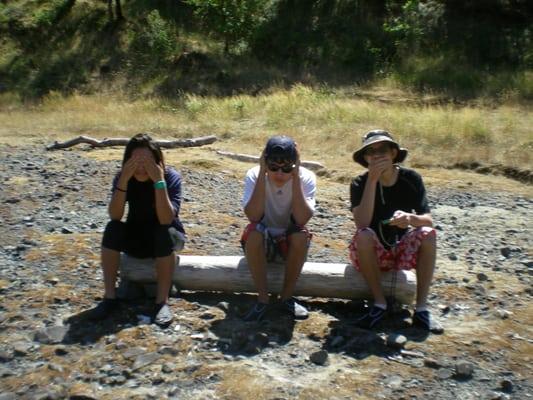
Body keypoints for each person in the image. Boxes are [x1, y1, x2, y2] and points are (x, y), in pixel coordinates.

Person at [349, 129, 442, 333]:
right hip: (373, 252)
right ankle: (379, 303)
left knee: (428, 234)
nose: (376, 155)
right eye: (370, 152)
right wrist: (372, 180)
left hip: (401, 250)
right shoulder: (359, 183)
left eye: (382, 149)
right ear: (365, 158)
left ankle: (422, 308)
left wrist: (410, 219)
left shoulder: (411, 178)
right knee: (364, 235)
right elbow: (361, 223)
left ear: (393, 153)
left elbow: (428, 220)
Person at [89, 133, 185, 327]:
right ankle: (109, 297)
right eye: (135, 161)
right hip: (136, 234)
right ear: (127, 161)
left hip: (167, 237)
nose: (141, 167)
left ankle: (162, 301)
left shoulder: (169, 177)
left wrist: (159, 181)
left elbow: (166, 219)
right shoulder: (123, 177)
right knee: (112, 228)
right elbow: (115, 215)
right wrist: (123, 181)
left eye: (147, 161)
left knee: (162, 231)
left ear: (157, 162)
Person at [240, 135, 316, 321]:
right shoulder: (254, 174)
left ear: (295, 165)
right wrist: (261, 173)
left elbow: (301, 218)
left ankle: (287, 298)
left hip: (289, 240)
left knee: (300, 235)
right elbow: (254, 216)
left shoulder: (306, 177)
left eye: (286, 168)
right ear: (266, 163)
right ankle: (262, 299)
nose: (279, 174)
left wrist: (296, 175)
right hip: (262, 238)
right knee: (253, 231)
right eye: (273, 167)